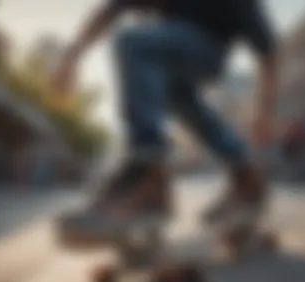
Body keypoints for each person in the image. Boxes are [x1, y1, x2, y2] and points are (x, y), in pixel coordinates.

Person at [52, 0, 278, 235]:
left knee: (135, 43)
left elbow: (268, 53)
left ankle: (147, 171)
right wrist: (72, 57)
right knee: (175, 95)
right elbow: (110, 10)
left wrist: (265, 112)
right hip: (174, 51)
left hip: (209, 51)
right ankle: (246, 176)